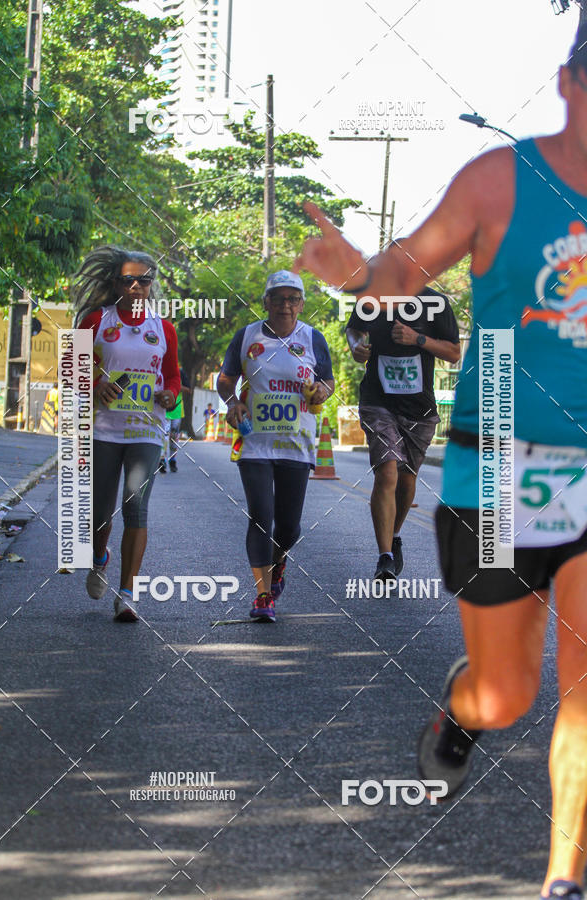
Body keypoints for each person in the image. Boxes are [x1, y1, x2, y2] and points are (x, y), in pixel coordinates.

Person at [295, 26, 587, 900]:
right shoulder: (499, 180)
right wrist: (356, 275)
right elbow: (410, 264)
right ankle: (467, 710)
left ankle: (564, 875)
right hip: (499, 467)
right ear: (568, 82)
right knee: (506, 697)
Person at [217, 270, 334, 621]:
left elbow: (326, 381)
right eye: (279, 298)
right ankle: (263, 595)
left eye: (293, 298)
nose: (286, 305)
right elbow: (226, 379)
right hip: (255, 443)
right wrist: (233, 402)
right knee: (260, 517)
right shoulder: (247, 336)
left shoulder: (312, 338)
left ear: (301, 304)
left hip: (296, 444)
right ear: (265, 302)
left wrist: (323, 390)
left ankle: (278, 562)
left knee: (289, 527)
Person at [73, 246, 180, 622]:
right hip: (105, 429)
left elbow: (172, 376)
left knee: (136, 504)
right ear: (115, 283)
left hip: (147, 430)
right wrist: (96, 384)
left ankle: (128, 593)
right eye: (128, 280)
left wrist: (170, 394)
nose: (136, 287)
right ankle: (99, 558)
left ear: (151, 285)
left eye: (144, 280)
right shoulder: (95, 321)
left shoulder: (163, 328)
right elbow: (72, 369)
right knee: (102, 512)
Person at [346, 287, 459, 581]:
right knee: (387, 473)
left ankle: (394, 536)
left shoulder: (435, 303)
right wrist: (356, 347)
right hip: (377, 400)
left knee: (407, 478)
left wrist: (417, 339)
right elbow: (354, 330)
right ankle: (384, 557)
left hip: (418, 407)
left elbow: (453, 353)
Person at [158, 367, 191, 473]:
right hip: (163, 410)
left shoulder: (180, 372)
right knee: (164, 435)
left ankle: (172, 460)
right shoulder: (159, 370)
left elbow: (188, 389)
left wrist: (176, 387)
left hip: (176, 411)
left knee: (174, 437)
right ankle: (162, 460)